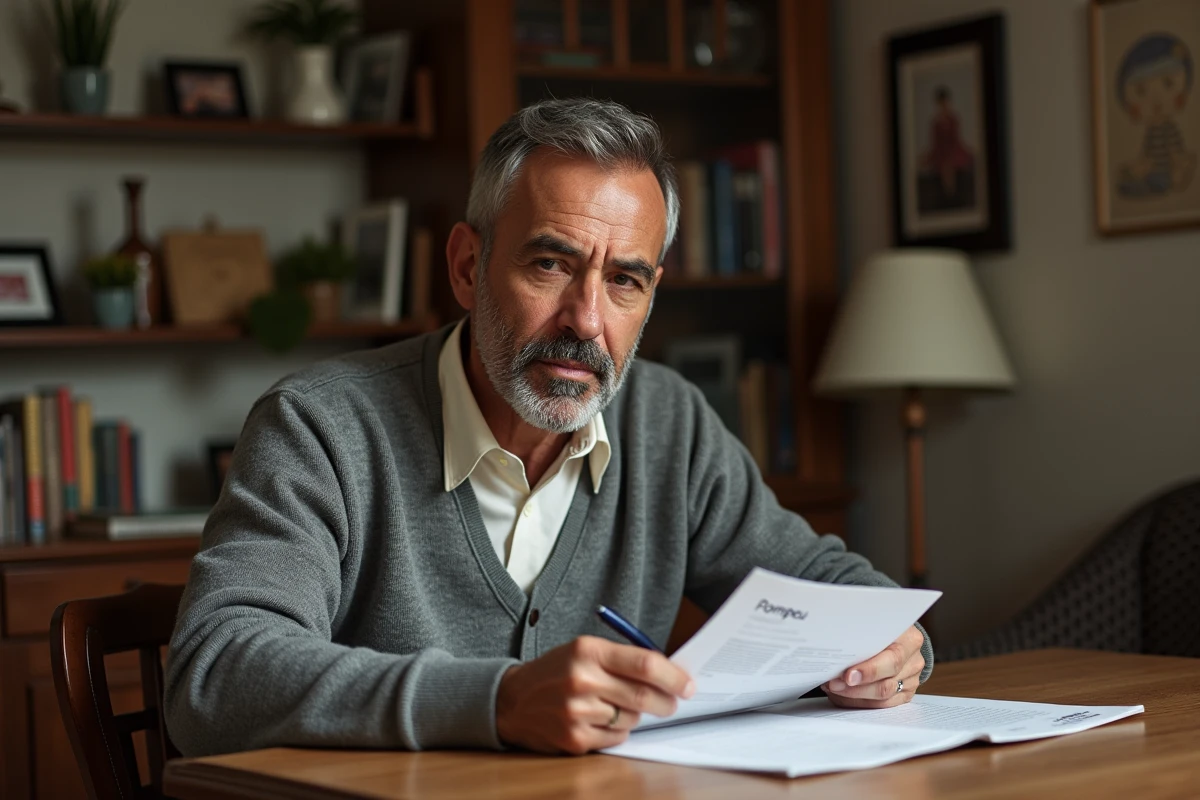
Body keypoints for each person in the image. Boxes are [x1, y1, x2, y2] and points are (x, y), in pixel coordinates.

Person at [164, 98, 933, 757]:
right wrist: (497, 701)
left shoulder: (668, 423)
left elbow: (834, 587)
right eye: (550, 266)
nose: (586, 321)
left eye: (624, 280)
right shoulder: (319, 427)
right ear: (467, 267)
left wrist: (897, 650)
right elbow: (215, 674)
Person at [1116, 34, 1195, 198]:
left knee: (1158, 182)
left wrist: (1179, 165)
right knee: (1140, 179)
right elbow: (1147, 153)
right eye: (1141, 91)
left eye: (1168, 84)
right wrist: (1142, 165)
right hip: (1154, 171)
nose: (1156, 100)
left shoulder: (1169, 129)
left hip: (1166, 171)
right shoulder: (1151, 131)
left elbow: (1175, 150)